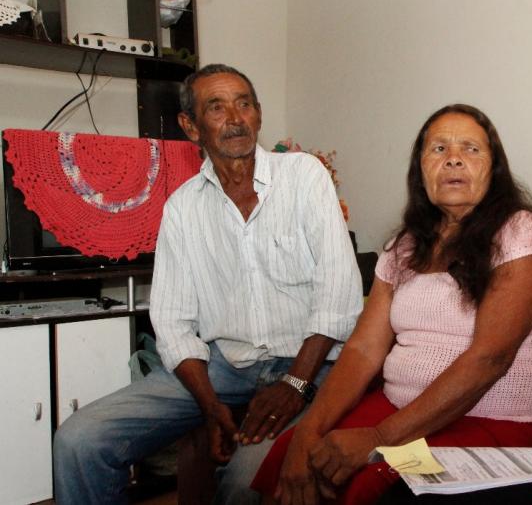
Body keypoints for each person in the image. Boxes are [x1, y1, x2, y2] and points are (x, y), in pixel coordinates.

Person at [52, 64, 363, 504]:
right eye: (217, 108)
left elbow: (338, 296)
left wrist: (295, 385)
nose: (235, 118)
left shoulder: (303, 176)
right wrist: (210, 406)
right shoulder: (182, 208)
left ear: (258, 114)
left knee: (243, 483)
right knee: (78, 441)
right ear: (191, 127)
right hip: (226, 366)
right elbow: (173, 323)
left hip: (314, 363)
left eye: (244, 104)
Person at [249, 103, 532, 504]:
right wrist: (308, 430)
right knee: (292, 457)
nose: (453, 158)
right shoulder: (402, 247)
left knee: (369, 481)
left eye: (471, 148)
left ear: (494, 169)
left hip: (497, 420)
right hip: (399, 409)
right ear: (421, 170)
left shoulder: (517, 232)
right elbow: (363, 349)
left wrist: (379, 437)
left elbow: (490, 358)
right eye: (439, 149)